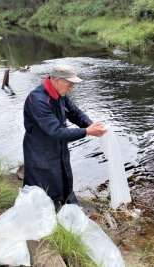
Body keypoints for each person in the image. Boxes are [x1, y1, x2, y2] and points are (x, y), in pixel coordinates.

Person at [23, 64, 107, 211]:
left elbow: (75, 113)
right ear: (56, 80)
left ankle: (67, 204)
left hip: (59, 147)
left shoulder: (60, 94)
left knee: (64, 177)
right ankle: (48, 211)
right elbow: (55, 131)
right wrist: (87, 131)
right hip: (40, 150)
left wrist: (92, 125)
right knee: (45, 183)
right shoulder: (37, 100)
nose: (71, 87)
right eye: (69, 84)